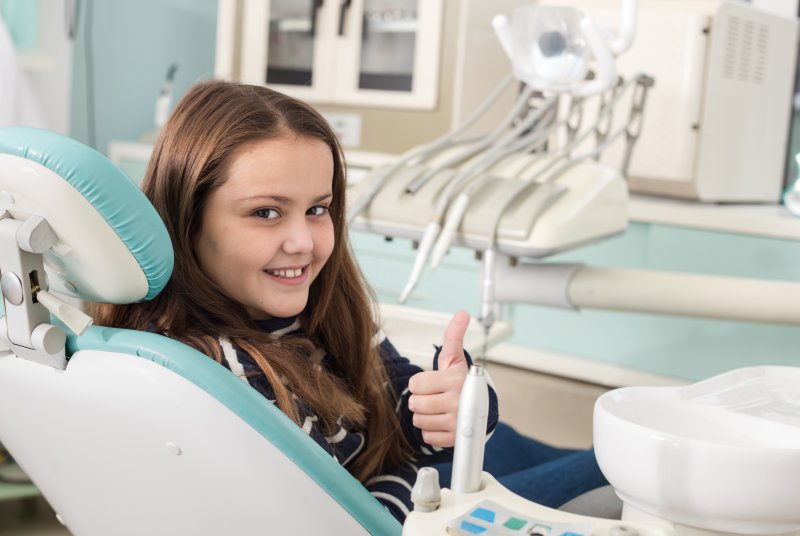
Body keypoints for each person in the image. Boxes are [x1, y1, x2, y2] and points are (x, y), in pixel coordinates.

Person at [93, 79, 608, 523]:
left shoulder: (309, 307)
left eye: (318, 209)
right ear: (188, 222)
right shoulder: (221, 372)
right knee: (621, 470)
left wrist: (448, 408)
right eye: (266, 213)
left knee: (560, 450)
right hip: (408, 509)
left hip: (414, 477)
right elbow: (349, 520)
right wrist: (433, 469)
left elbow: (389, 399)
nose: (304, 242)